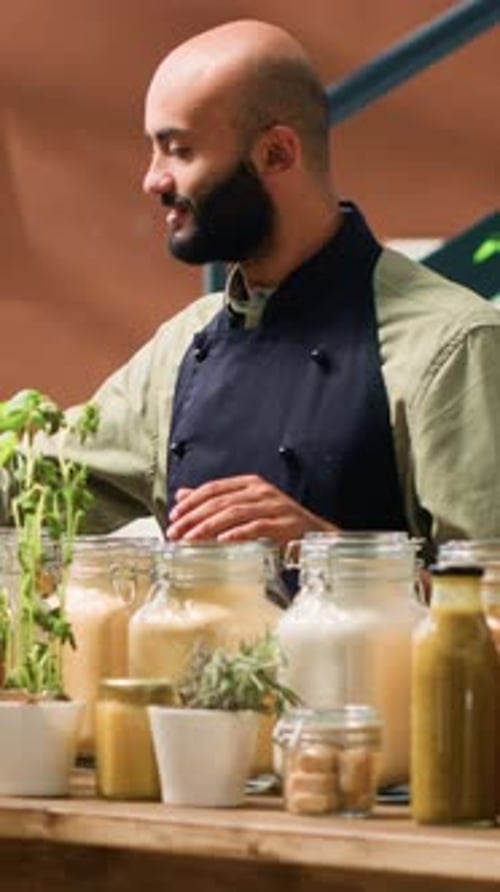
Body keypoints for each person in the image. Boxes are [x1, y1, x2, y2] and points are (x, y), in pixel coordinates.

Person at [43, 19, 500, 556]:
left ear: (277, 154)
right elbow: (37, 482)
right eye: (154, 150)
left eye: (179, 150)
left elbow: (489, 610)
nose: (154, 180)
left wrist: (328, 553)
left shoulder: (453, 346)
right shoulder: (183, 345)